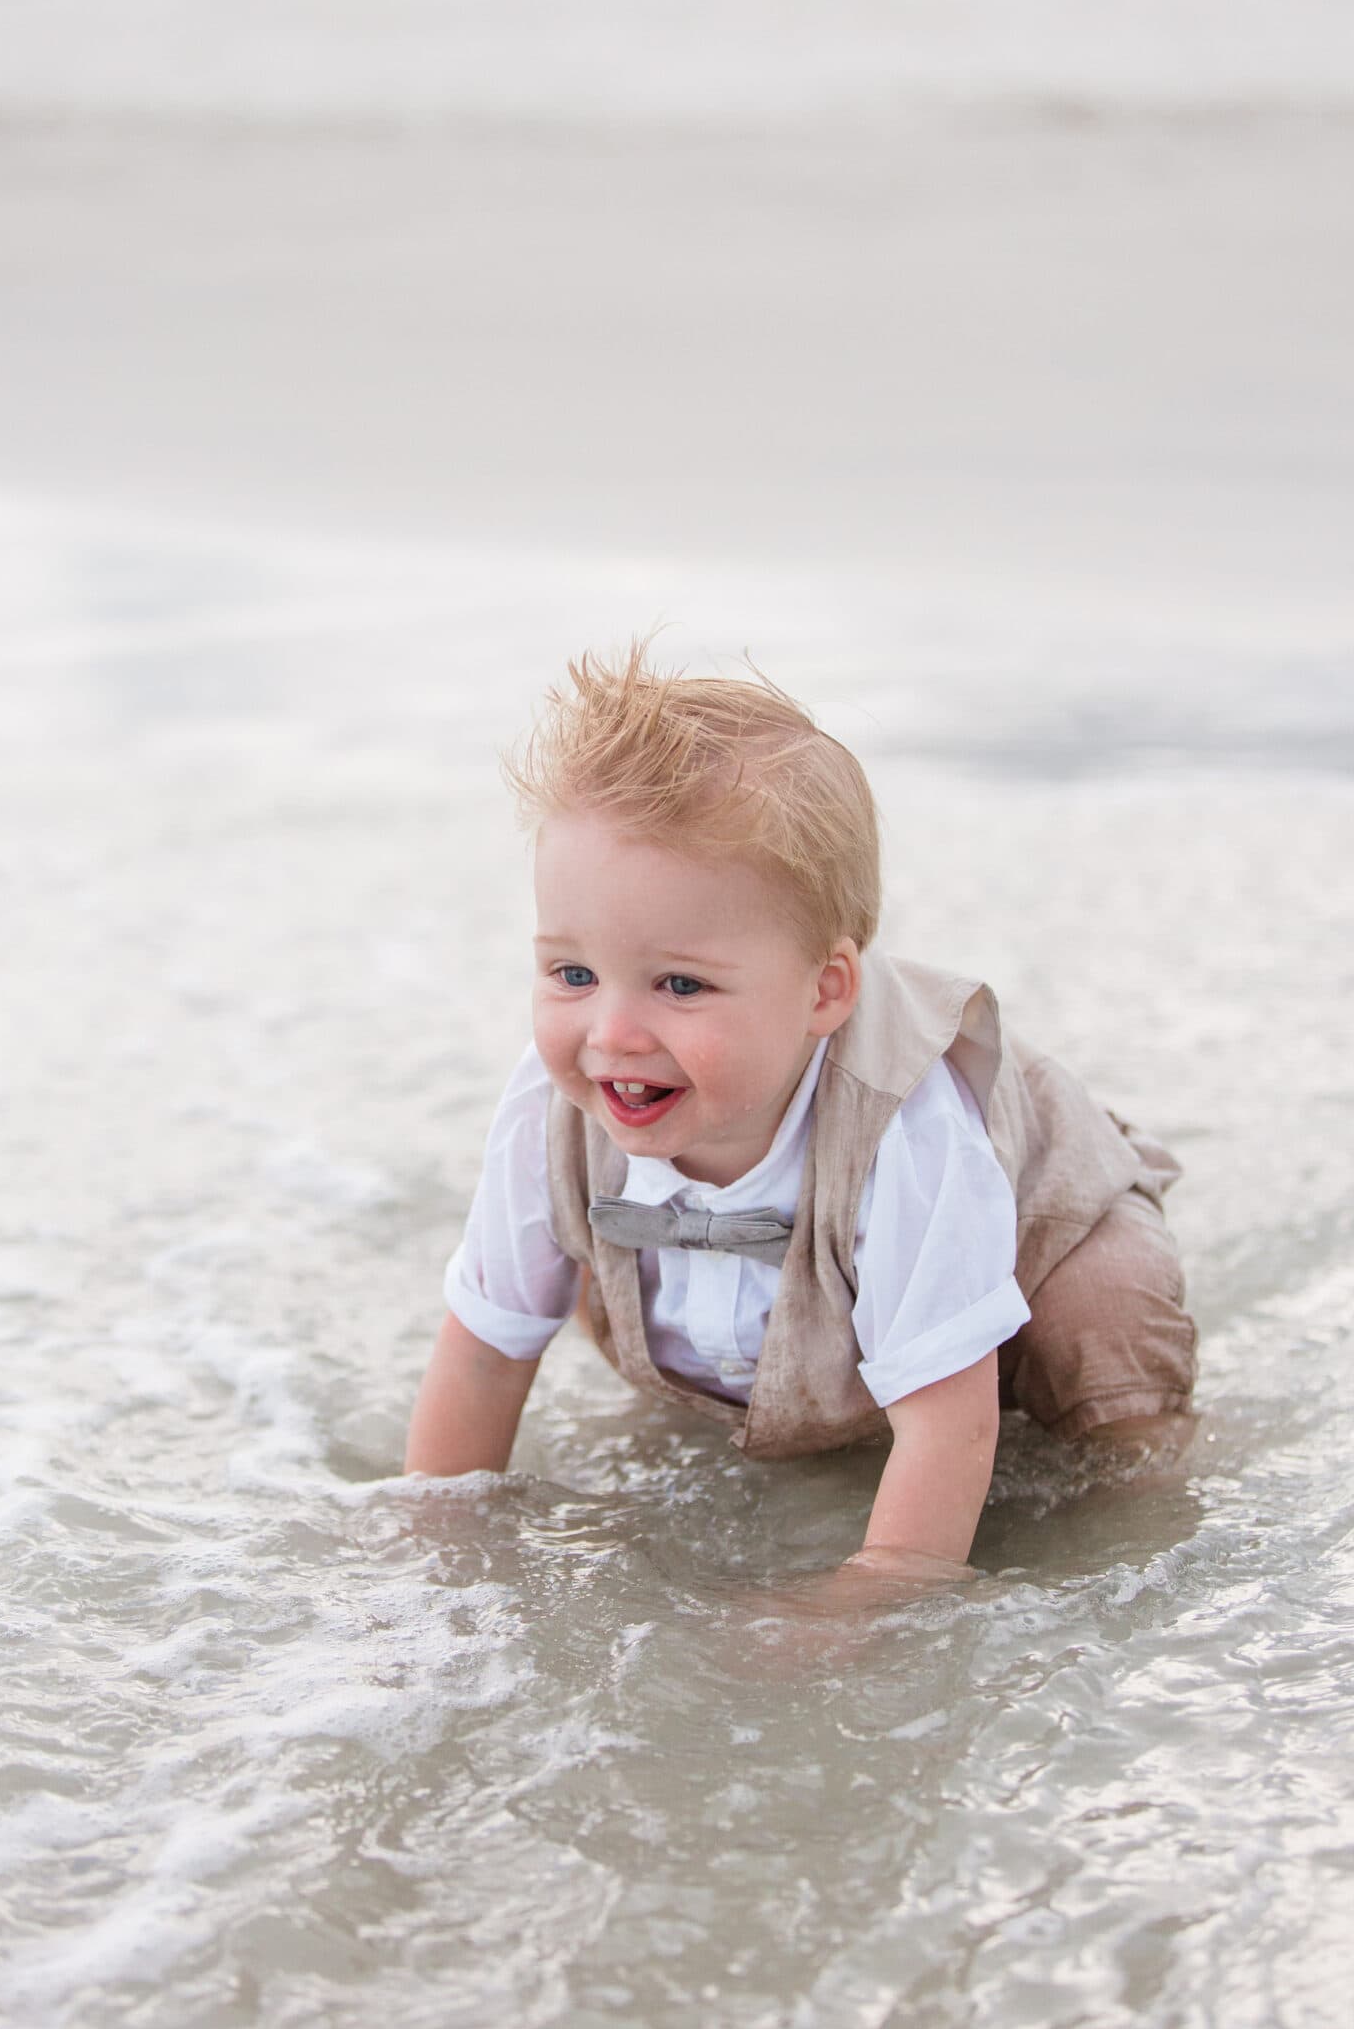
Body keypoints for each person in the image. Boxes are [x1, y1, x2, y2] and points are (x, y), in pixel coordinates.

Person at [405, 644, 1198, 1577]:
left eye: (680, 983)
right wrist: (431, 1545)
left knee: (1104, 1335)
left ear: (825, 992)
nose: (612, 1032)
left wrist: (876, 1591)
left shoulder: (905, 1126)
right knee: (586, 1265)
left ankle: (1138, 1486)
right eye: (572, 973)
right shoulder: (555, 1104)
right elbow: (486, 1356)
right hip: (778, 1302)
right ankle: (755, 1381)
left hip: (1036, 1237)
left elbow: (950, 1426)